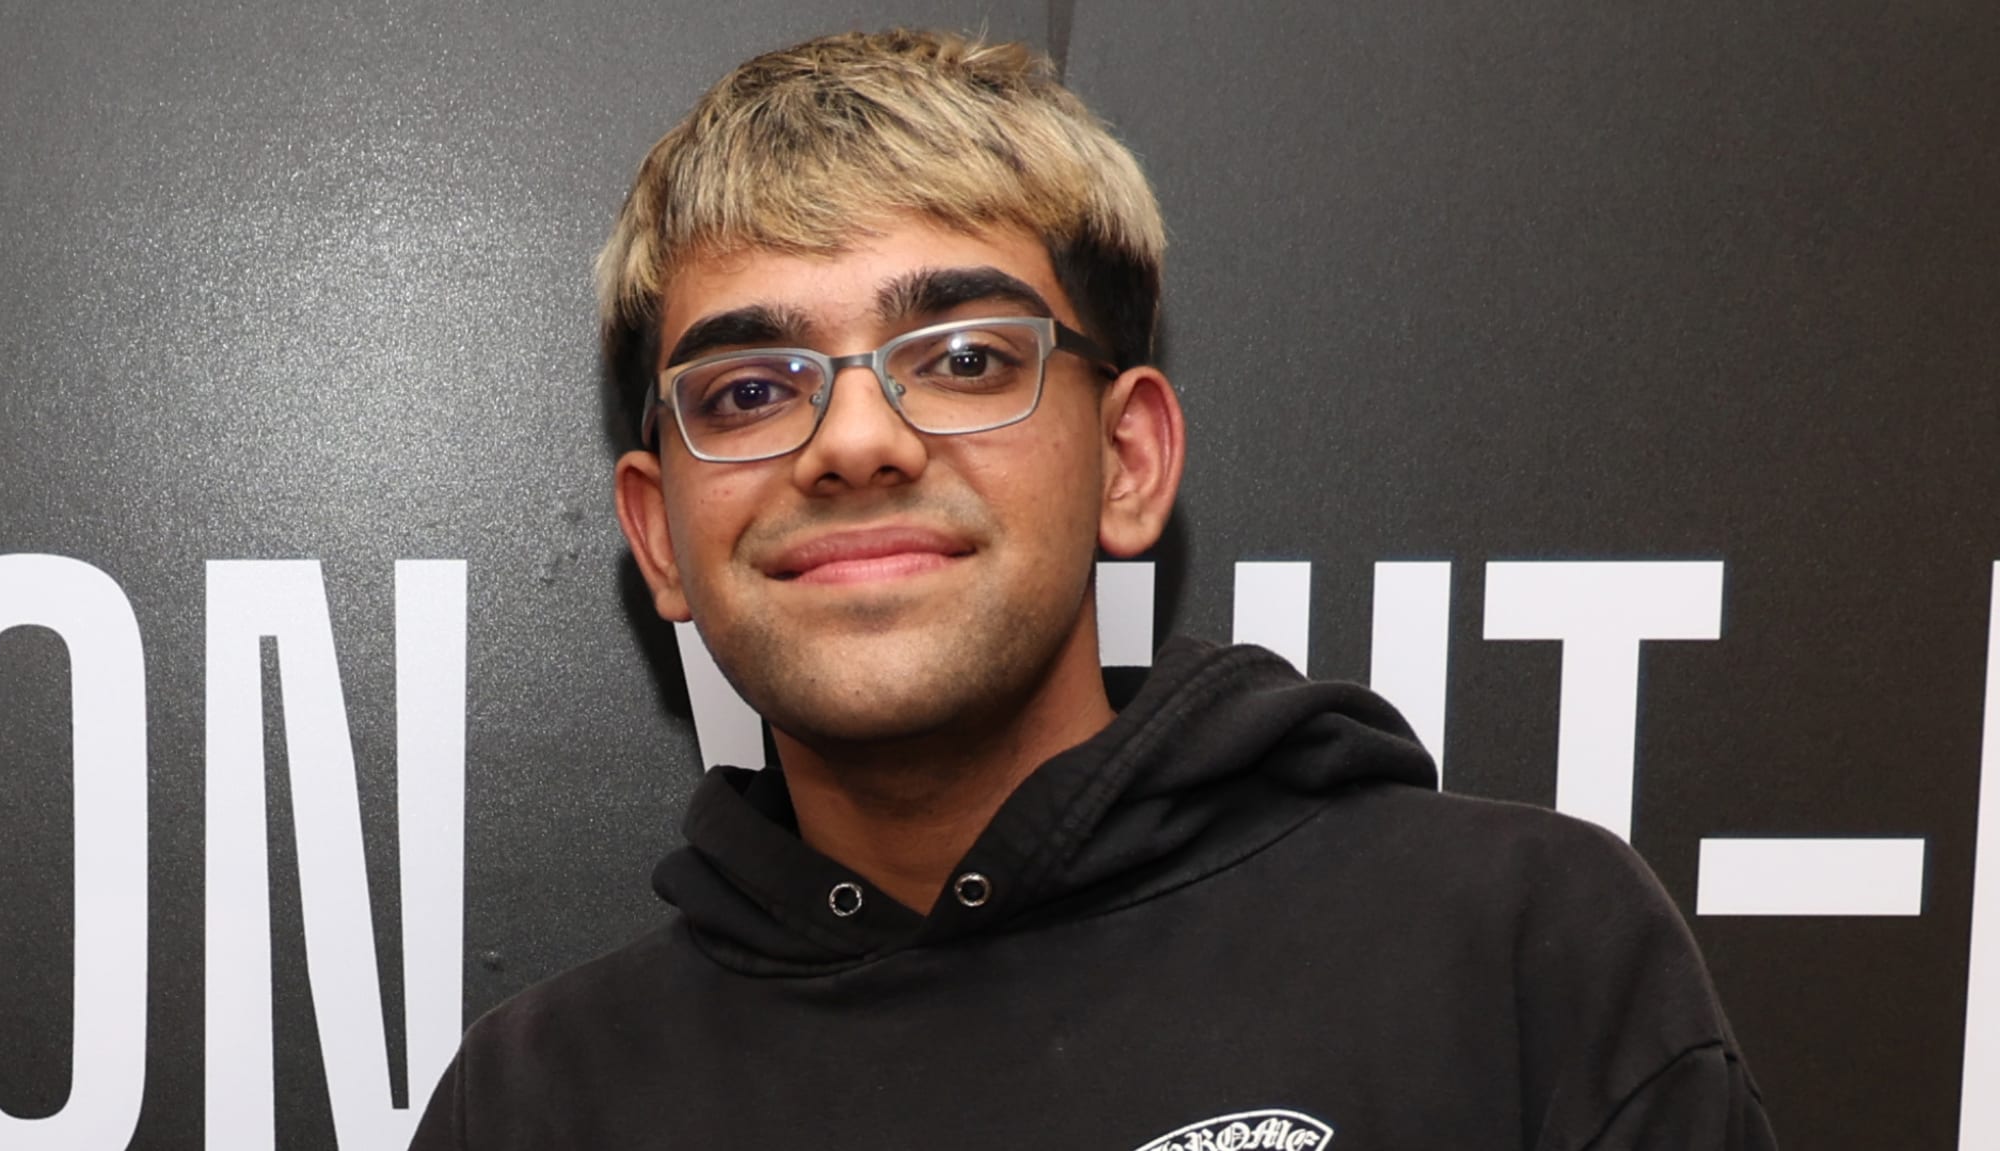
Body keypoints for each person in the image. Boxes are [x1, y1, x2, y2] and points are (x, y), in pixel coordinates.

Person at [409, 28, 1775, 1150]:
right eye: (752, 390)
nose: (857, 442)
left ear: (1127, 460)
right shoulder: (535, 1105)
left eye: (961, 359)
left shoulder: (1512, 956)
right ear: (661, 540)